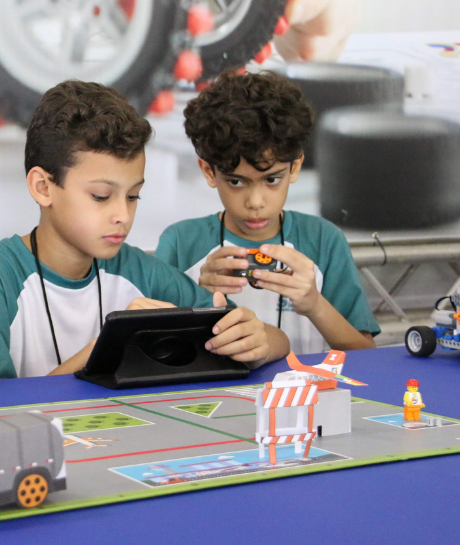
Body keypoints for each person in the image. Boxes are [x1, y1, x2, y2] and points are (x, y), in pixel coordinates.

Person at [0, 80, 286, 379]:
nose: (122, 216)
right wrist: (107, 346)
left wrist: (259, 342)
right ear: (43, 187)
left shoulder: (140, 271)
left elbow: (272, 338)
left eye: (132, 196)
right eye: (101, 196)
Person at [155, 72, 378, 354]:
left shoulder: (324, 239)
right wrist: (196, 298)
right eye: (236, 182)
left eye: (272, 179)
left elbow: (365, 352)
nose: (255, 202)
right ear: (209, 171)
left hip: (309, 384)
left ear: (295, 167)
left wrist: (315, 304)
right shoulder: (180, 242)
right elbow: (154, 348)